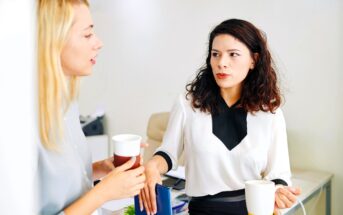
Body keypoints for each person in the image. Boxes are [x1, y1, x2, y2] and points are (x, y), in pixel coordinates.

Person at [140, 19, 301, 215]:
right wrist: (153, 166)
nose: (221, 63)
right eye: (215, 54)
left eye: (233, 54)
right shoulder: (188, 103)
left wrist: (280, 191)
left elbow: (279, 175)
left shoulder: (270, 113)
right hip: (202, 210)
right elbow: (167, 154)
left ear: (254, 60)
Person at [36, 0, 145, 214]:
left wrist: (101, 169)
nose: (99, 43)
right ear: (53, 40)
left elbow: (60, 185)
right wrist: (104, 192)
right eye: (87, 35)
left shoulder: (66, 103)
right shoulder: (22, 120)